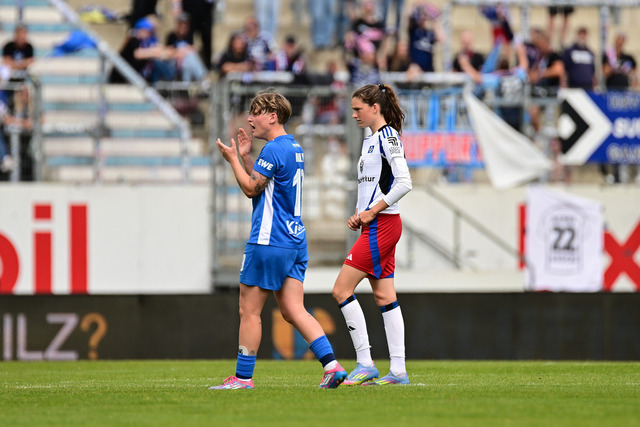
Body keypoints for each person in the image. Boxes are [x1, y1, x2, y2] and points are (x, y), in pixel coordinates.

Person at [211, 90, 347, 390]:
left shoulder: (273, 149)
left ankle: (242, 379)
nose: (250, 119)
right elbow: (266, 185)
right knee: (293, 310)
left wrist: (233, 159)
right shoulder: (293, 147)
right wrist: (247, 157)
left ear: (273, 116)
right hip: (294, 241)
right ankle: (332, 366)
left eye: (255, 112)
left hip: (268, 240)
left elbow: (251, 188)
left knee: (249, 310)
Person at [332, 83, 412, 386]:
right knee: (384, 296)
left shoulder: (388, 137)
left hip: (383, 225)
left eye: (358, 109)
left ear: (375, 108)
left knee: (341, 290)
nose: (354, 114)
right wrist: (360, 212)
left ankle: (365, 363)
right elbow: (371, 183)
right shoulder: (371, 139)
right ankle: (398, 371)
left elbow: (404, 182)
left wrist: (372, 211)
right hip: (375, 224)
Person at [164, 13, 208, 82]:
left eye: (186, 24)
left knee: (189, 59)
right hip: (174, 62)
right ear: (177, 24)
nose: (183, 26)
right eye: (181, 24)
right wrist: (182, 51)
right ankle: (202, 78)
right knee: (190, 56)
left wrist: (184, 51)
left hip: (186, 62)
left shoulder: (190, 36)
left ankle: (188, 83)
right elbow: (168, 52)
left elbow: (195, 48)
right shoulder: (171, 37)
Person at [173, 0, 216, 69]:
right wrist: (176, 6)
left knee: (207, 37)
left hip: (205, 10)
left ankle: (207, 64)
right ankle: (188, 64)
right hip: (189, 9)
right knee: (188, 38)